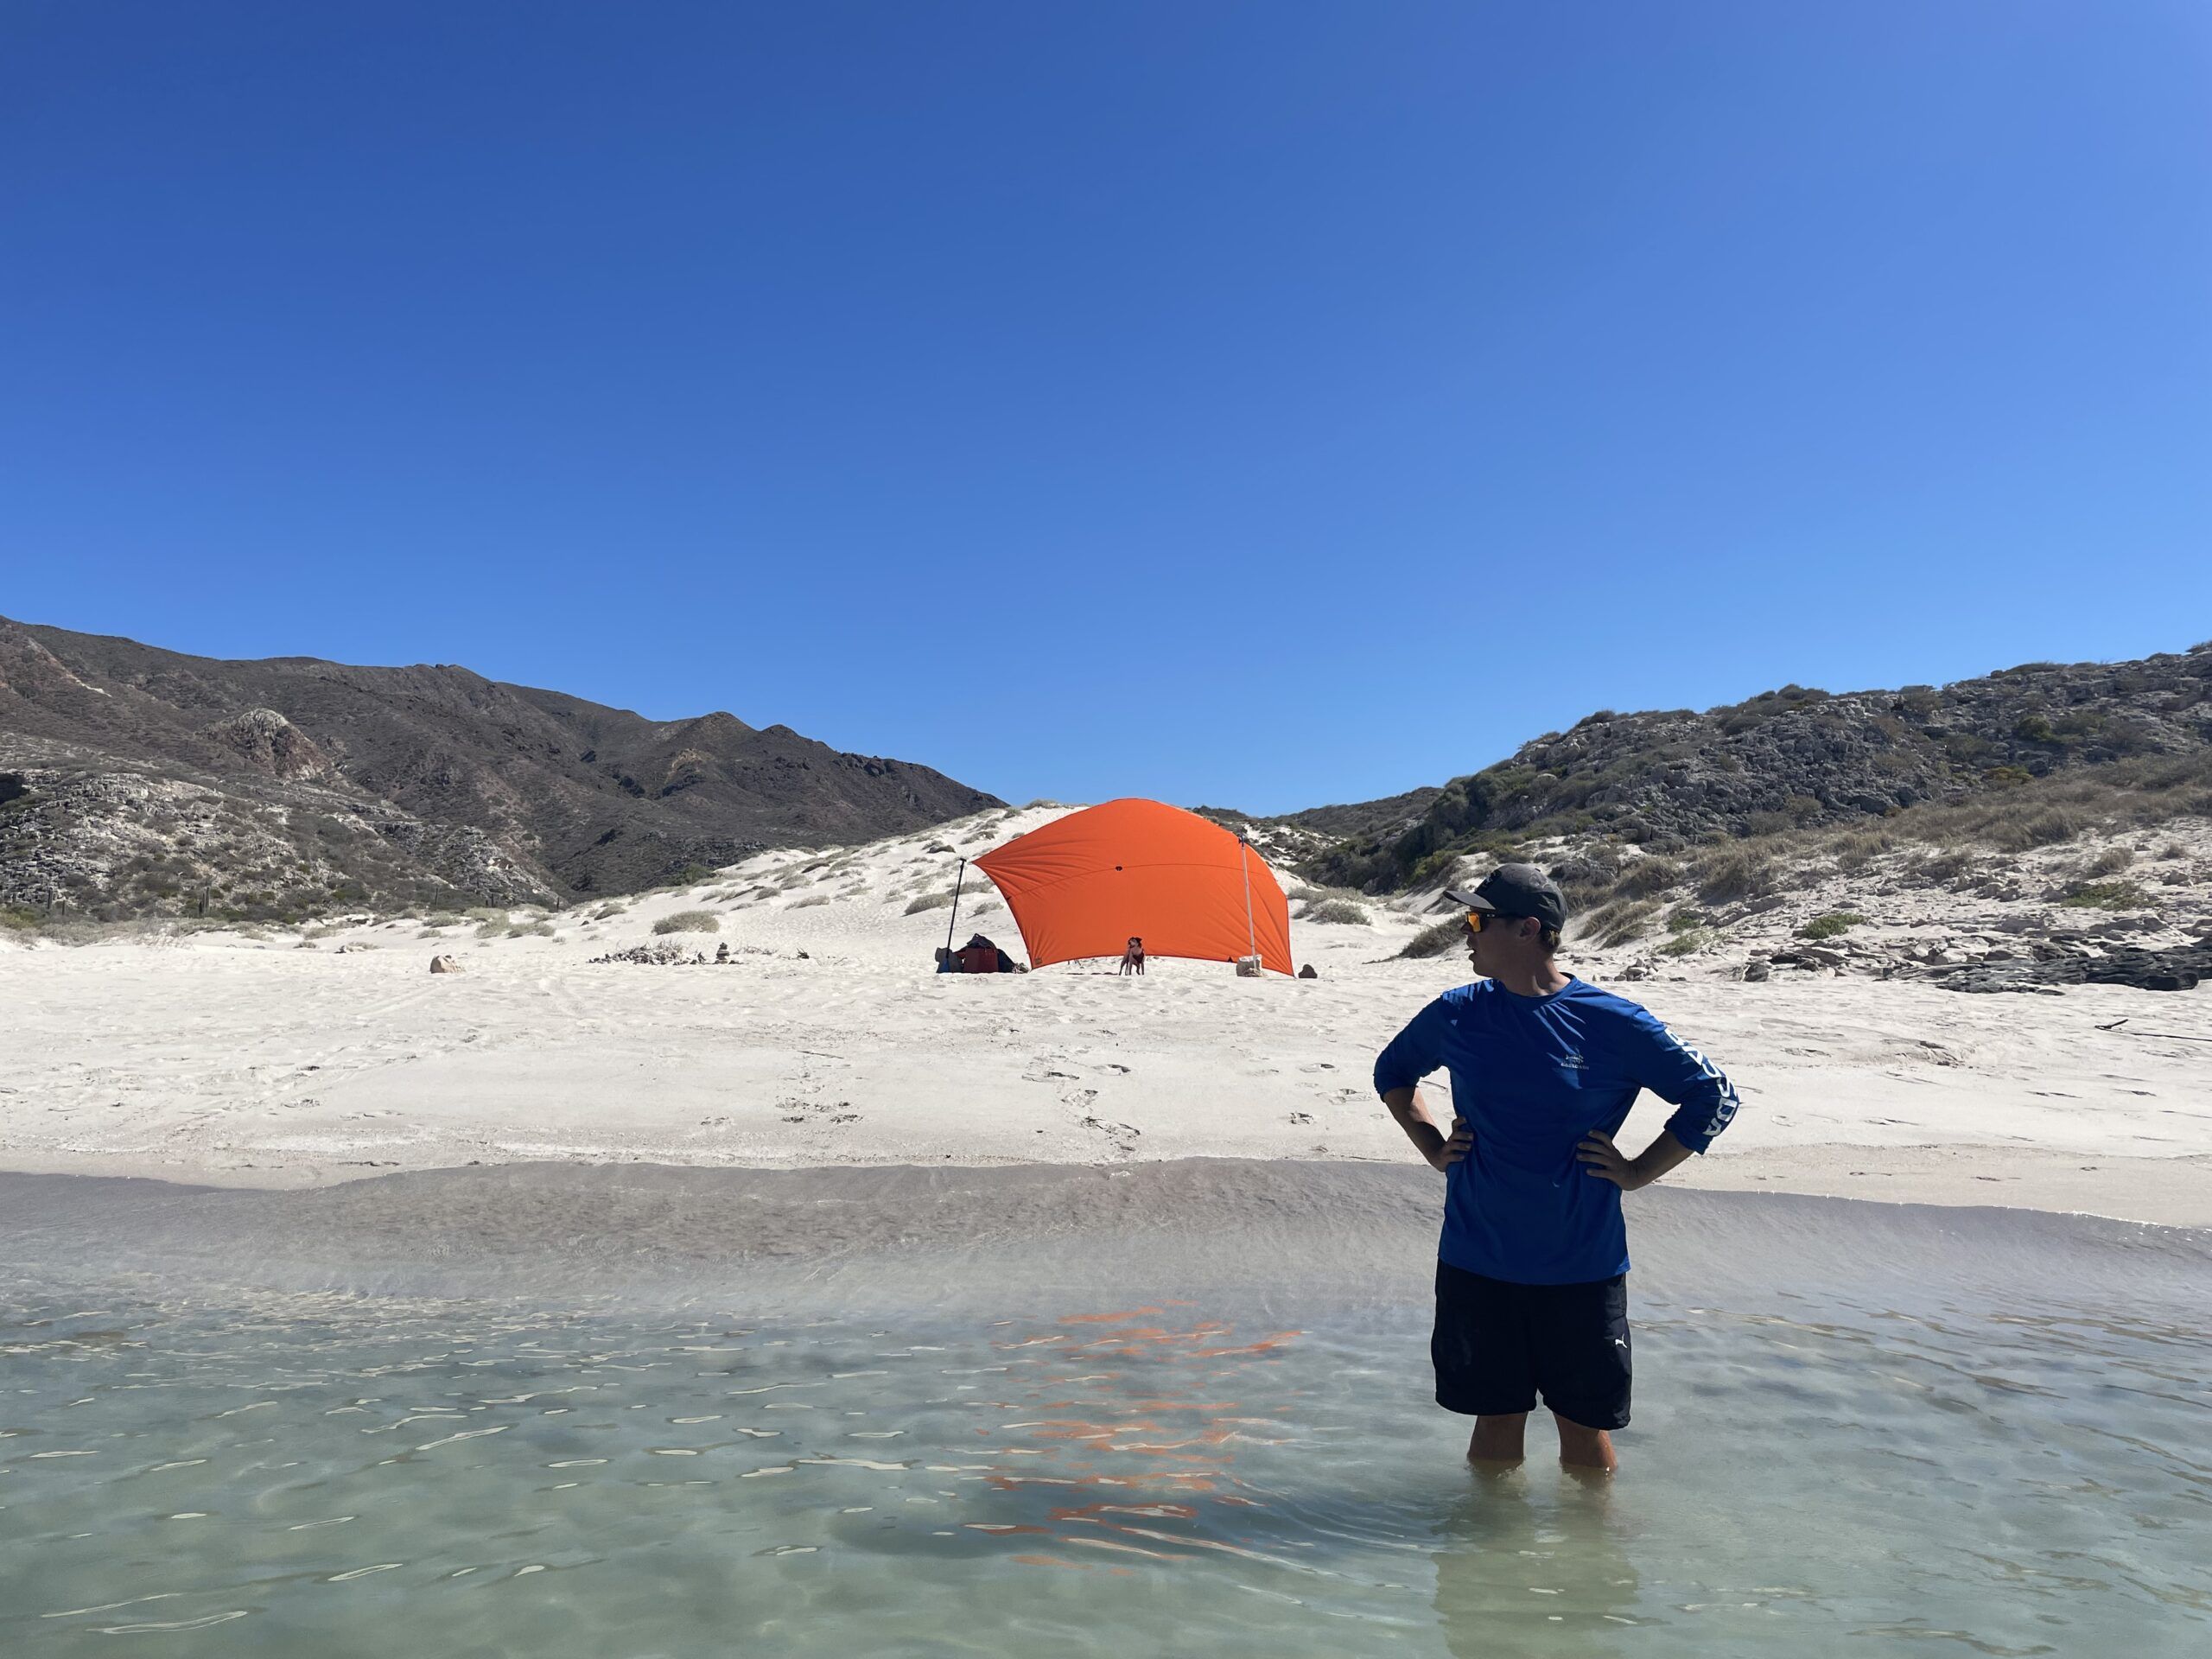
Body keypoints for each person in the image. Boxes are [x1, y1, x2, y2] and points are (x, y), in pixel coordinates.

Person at [1371, 862, 1740, 1475]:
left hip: (1581, 1268)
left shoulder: (1612, 1022)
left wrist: (1639, 1171)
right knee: (1495, 1420)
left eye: (1477, 920)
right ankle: (1485, 1561)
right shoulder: (1457, 1013)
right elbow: (1393, 1073)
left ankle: (1591, 1564)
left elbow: (1715, 1095)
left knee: (1584, 1429)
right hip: (1477, 1261)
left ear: (1528, 931)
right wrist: (1432, 1145)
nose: (1465, 933)